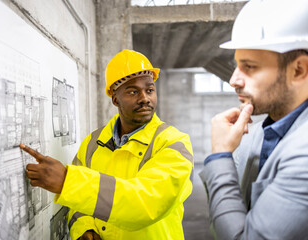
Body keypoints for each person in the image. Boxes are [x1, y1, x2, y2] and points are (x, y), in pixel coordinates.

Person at [21, 49, 194, 240]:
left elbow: (146, 203)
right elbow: (76, 204)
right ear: (115, 99)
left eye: (150, 90)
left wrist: (66, 181)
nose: (144, 98)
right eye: (133, 91)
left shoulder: (174, 143)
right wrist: (83, 227)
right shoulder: (92, 144)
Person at [199, 0, 308, 239]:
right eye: (237, 65)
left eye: (249, 66)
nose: (234, 80)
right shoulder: (253, 135)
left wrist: (220, 156)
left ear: (299, 70)